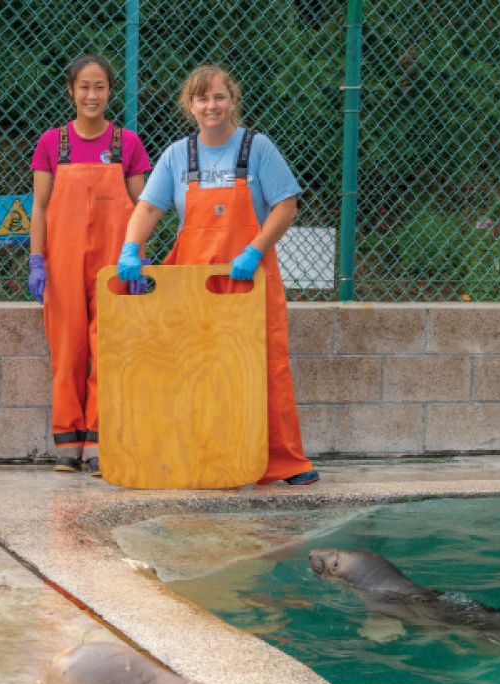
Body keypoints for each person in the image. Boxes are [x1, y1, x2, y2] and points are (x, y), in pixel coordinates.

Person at [117, 65, 318, 486]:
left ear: (233, 101)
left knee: (265, 366)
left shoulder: (257, 148)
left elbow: (286, 206)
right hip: (195, 284)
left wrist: (254, 250)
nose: (212, 106)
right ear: (189, 105)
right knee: (195, 368)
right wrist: (131, 248)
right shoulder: (177, 155)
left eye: (219, 97)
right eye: (202, 98)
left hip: (249, 277)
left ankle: (284, 461)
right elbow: (150, 207)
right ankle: (203, 453)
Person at [29, 54, 150, 477]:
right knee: (68, 353)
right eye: (84, 87)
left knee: (109, 351)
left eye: (100, 87)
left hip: (114, 265)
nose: (92, 95)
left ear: (110, 92)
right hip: (61, 265)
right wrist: (36, 259)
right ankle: (68, 442)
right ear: (71, 91)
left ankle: (100, 440)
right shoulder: (51, 144)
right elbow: (40, 207)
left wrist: (138, 254)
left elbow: (143, 206)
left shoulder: (126, 144)